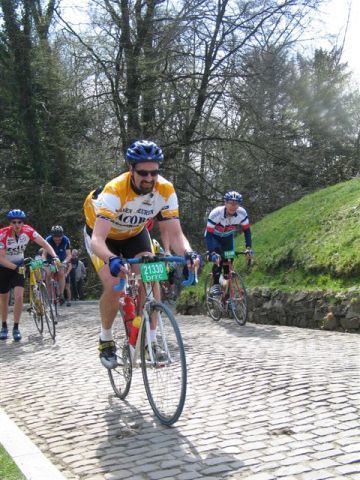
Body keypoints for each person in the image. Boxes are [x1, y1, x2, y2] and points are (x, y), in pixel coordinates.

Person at [84, 139, 199, 368]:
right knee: (114, 283)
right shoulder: (115, 191)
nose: (149, 178)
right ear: (131, 169)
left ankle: (150, 342)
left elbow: (176, 234)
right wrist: (112, 259)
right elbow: (97, 240)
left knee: (151, 275)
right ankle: (106, 339)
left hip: (134, 234)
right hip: (103, 237)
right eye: (143, 173)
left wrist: (188, 253)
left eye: (154, 173)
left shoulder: (165, 190)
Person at [0, 210, 59, 341]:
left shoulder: (27, 230)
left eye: (19, 222)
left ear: (23, 222)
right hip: (4, 267)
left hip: (19, 265)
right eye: (13, 222)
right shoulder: (3, 234)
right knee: (4, 298)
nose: (17, 225)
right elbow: (1, 258)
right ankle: (4, 325)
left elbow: (44, 243)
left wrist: (55, 257)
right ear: (10, 223)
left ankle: (16, 327)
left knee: (19, 297)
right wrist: (15, 267)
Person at [205, 191, 253, 296]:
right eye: (230, 203)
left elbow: (247, 231)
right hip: (214, 237)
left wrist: (248, 247)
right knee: (218, 258)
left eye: (236, 203)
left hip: (228, 238)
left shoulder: (242, 213)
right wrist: (212, 252)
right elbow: (208, 235)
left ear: (239, 205)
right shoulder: (216, 213)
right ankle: (215, 284)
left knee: (229, 262)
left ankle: (228, 298)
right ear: (225, 203)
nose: (233, 206)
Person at [44, 225, 72, 306]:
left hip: (61, 260)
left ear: (62, 236)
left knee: (61, 273)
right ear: (52, 237)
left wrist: (65, 262)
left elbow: (69, 255)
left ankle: (61, 294)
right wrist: (45, 262)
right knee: (48, 274)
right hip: (49, 260)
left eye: (59, 239)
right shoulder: (48, 240)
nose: (57, 241)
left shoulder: (66, 240)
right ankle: (48, 296)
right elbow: (44, 254)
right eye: (55, 240)